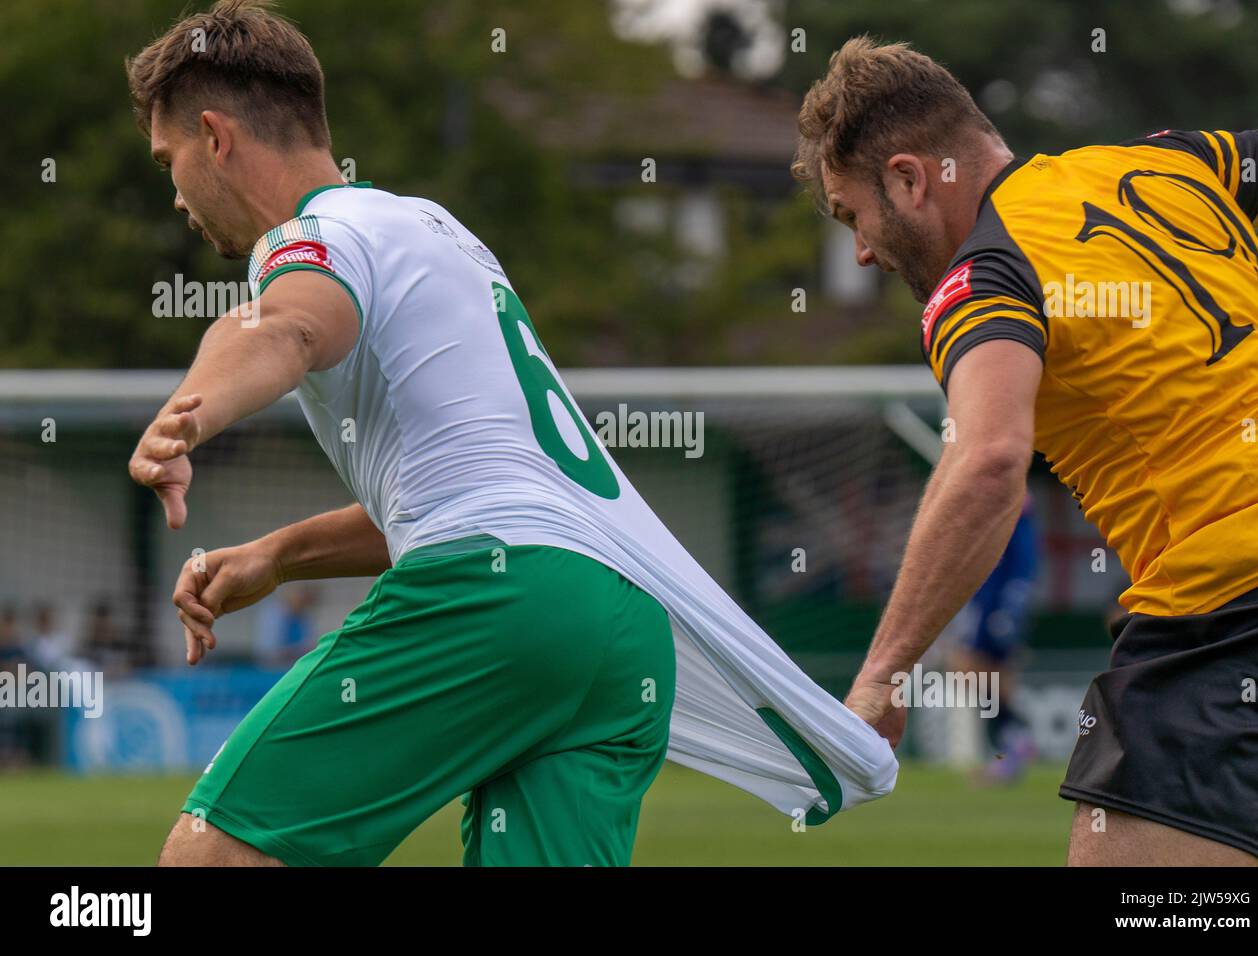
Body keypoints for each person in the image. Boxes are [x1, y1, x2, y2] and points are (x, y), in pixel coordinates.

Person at [124, 0, 895, 867]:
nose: (176, 192)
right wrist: (281, 554)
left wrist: (191, 411)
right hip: (615, 627)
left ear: (216, 137)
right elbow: (486, 488)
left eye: (169, 159)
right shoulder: (438, 234)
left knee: (214, 856)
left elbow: (283, 327)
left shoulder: (315, 238)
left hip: (505, 603)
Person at [795, 35, 1258, 866]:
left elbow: (989, 462)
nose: (861, 249)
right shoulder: (1166, 166)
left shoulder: (984, 276)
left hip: (1236, 606)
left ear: (910, 179)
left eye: (855, 215)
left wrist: (882, 674)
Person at [947, 496, 1039, 783]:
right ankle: (1011, 748)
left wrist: (1009, 608)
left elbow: (1024, 564)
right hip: (988, 600)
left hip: (995, 605)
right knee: (991, 675)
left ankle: (1012, 743)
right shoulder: (1001, 515)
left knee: (968, 669)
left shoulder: (1015, 512)